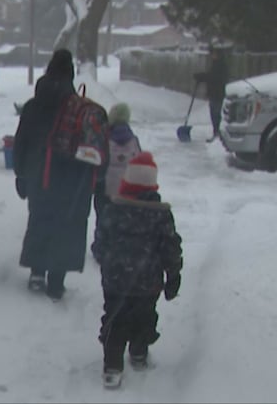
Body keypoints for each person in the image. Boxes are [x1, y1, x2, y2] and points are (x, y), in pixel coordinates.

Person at [13, 49, 105, 300]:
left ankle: (36, 273)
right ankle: (56, 280)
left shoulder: (33, 106)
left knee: (40, 220)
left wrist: (21, 174)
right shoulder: (80, 109)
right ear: (71, 76)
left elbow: (21, 142)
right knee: (67, 226)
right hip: (73, 180)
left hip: (38, 174)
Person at [91, 151, 183, 389]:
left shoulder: (113, 209)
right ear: (153, 184)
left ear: (127, 181)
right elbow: (170, 246)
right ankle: (139, 353)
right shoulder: (161, 215)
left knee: (114, 318)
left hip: (115, 280)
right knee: (145, 316)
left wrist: (106, 260)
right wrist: (173, 274)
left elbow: (100, 242)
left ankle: (112, 366)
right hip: (148, 281)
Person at [92, 102, 142, 263]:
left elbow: (97, 160)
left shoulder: (103, 137)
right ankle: (122, 245)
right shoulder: (134, 140)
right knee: (124, 218)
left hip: (105, 187)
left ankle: (101, 247)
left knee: (103, 218)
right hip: (126, 188)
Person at [193, 47, 229, 142]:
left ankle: (217, 133)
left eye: (214, 54)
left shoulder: (221, 65)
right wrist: (202, 77)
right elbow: (211, 76)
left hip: (217, 92)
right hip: (214, 92)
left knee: (216, 113)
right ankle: (216, 132)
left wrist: (202, 77)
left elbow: (214, 77)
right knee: (213, 113)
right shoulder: (215, 64)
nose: (212, 55)